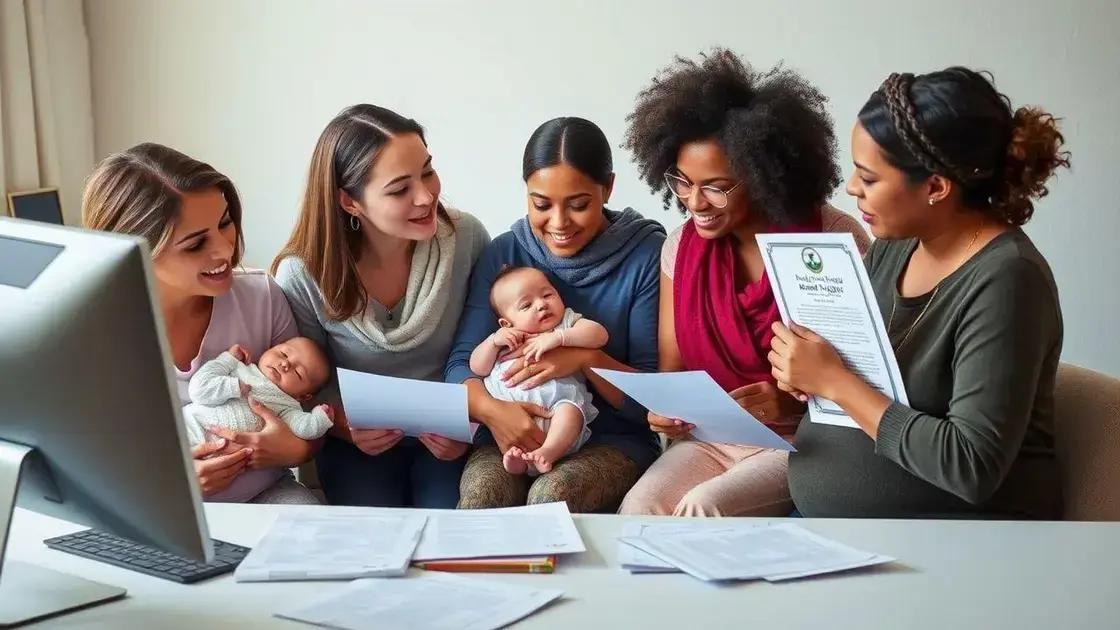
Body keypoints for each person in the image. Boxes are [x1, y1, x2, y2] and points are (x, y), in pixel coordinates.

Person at [770, 67, 1069, 519]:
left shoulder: (1009, 280)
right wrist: (807, 379)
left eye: (869, 179)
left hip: (962, 543)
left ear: (935, 186)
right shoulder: (895, 247)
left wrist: (835, 382)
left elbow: (970, 465)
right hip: (839, 528)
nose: (851, 188)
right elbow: (867, 380)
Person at [617, 49, 869, 517]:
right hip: (712, 438)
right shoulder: (680, 247)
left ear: (760, 175)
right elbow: (673, 369)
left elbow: (871, 375)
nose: (696, 201)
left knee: (702, 507)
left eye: (716, 185)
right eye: (683, 183)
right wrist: (663, 413)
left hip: (803, 442)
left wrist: (790, 404)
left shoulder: (833, 239)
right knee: (638, 510)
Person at [273, 104, 490, 508]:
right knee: (372, 533)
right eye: (399, 189)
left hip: (450, 437)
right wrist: (343, 428)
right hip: (356, 441)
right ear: (350, 202)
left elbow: (485, 349)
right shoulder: (302, 274)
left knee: (448, 525)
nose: (426, 196)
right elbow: (301, 388)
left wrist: (470, 426)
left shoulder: (468, 239)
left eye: (427, 171)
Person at [447, 117, 665, 512]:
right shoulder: (505, 254)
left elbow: (652, 398)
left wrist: (586, 358)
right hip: (506, 432)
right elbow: (461, 365)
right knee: (482, 497)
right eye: (541, 204)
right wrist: (495, 413)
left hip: (613, 441)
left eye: (579, 205)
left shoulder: (646, 254)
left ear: (609, 188)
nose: (559, 223)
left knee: (551, 497)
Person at [82, 143, 321, 504]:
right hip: (162, 511)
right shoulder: (98, 332)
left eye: (224, 222)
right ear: (135, 251)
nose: (224, 250)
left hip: (270, 496)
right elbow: (86, 465)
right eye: (195, 244)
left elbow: (307, 412)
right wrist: (172, 483)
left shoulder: (263, 297)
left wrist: (296, 451)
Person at [469, 266, 607, 475]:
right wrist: (492, 342)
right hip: (510, 420)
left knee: (570, 410)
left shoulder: (565, 324)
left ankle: (548, 452)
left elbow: (599, 335)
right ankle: (517, 460)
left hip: (556, 415)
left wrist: (560, 338)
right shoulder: (507, 337)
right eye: (526, 305)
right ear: (506, 322)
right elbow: (477, 367)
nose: (542, 304)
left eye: (547, 294)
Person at [183, 339, 333, 448]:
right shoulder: (239, 368)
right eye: (283, 354)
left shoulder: (287, 407)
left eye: (298, 373)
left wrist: (319, 419)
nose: (285, 364)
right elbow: (197, 390)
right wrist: (229, 366)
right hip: (190, 427)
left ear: (303, 396)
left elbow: (304, 428)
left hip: (216, 458)